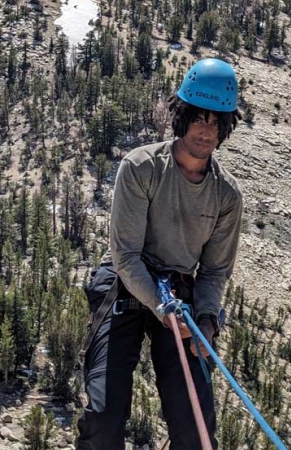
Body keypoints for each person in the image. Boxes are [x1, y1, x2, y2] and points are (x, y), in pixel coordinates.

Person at [76, 58, 244, 450]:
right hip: (125, 286)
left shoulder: (227, 195)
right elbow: (126, 256)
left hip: (182, 295)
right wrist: (161, 308)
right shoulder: (142, 167)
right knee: (104, 416)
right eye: (199, 119)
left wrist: (205, 321)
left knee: (196, 433)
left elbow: (215, 271)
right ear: (182, 117)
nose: (207, 130)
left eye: (216, 121)